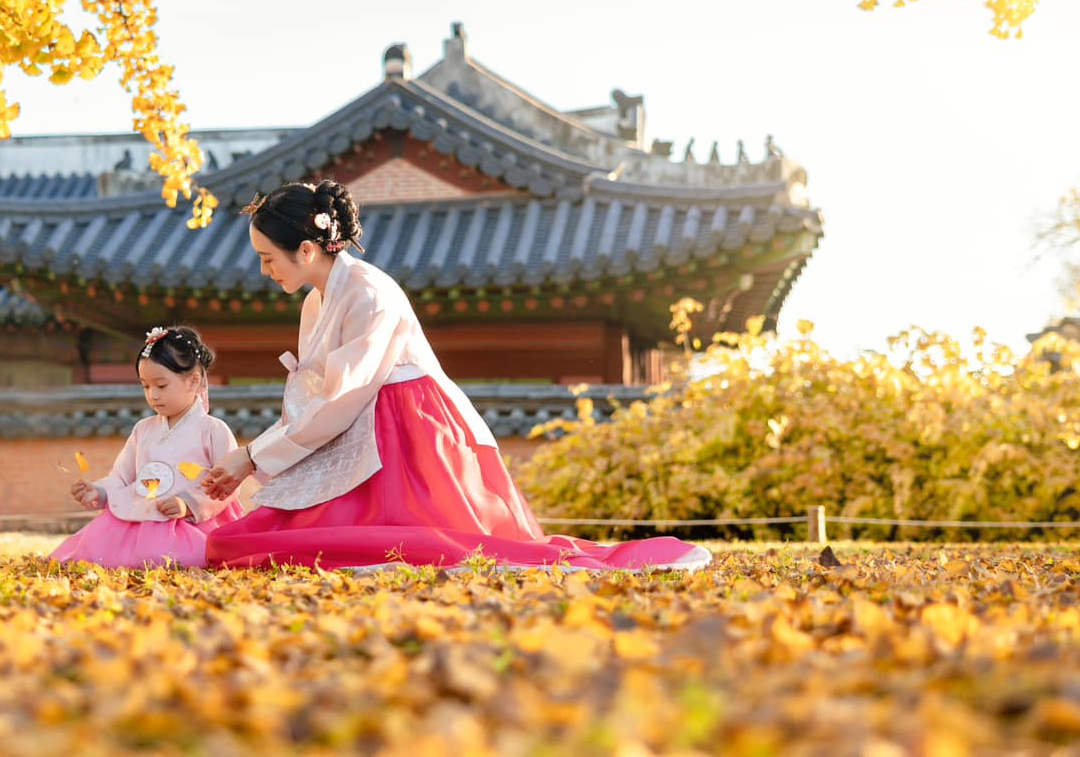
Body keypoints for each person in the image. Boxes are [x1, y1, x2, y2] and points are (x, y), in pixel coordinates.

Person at [200, 180, 711, 572]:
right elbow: (326, 397)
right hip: (362, 420)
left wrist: (253, 455)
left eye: (268, 258)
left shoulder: (368, 292)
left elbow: (342, 398)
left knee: (401, 545)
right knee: (243, 544)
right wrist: (257, 454)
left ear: (307, 250)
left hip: (405, 426)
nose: (265, 271)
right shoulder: (318, 299)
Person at [51, 325, 243, 568]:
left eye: (161, 386)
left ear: (194, 381)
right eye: (146, 386)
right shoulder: (143, 429)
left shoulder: (213, 430)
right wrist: (99, 491)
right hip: (138, 518)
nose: (153, 395)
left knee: (172, 557)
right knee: (92, 552)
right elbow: (122, 477)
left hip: (192, 522)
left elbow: (228, 483)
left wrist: (188, 504)